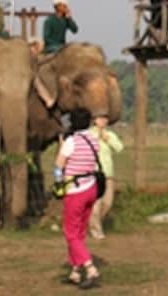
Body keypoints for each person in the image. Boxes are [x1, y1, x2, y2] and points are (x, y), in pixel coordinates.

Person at [54, 108, 102, 289]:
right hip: (91, 188)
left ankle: (90, 268)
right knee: (80, 232)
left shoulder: (71, 141)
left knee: (71, 233)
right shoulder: (93, 140)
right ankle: (75, 271)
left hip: (76, 191)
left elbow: (59, 164)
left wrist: (58, 183)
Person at [87, 114, 124, 240]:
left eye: (105, 118)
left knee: (107, 203)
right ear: (94, 120)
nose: (103, 121)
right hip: (94, 173)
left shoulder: (110, 134)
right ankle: (96, 230)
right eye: (100, 118)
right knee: (95, 204)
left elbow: (119, 148)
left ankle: (93, 223)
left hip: (108, 174)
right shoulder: (88, 135)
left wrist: (107, 139)